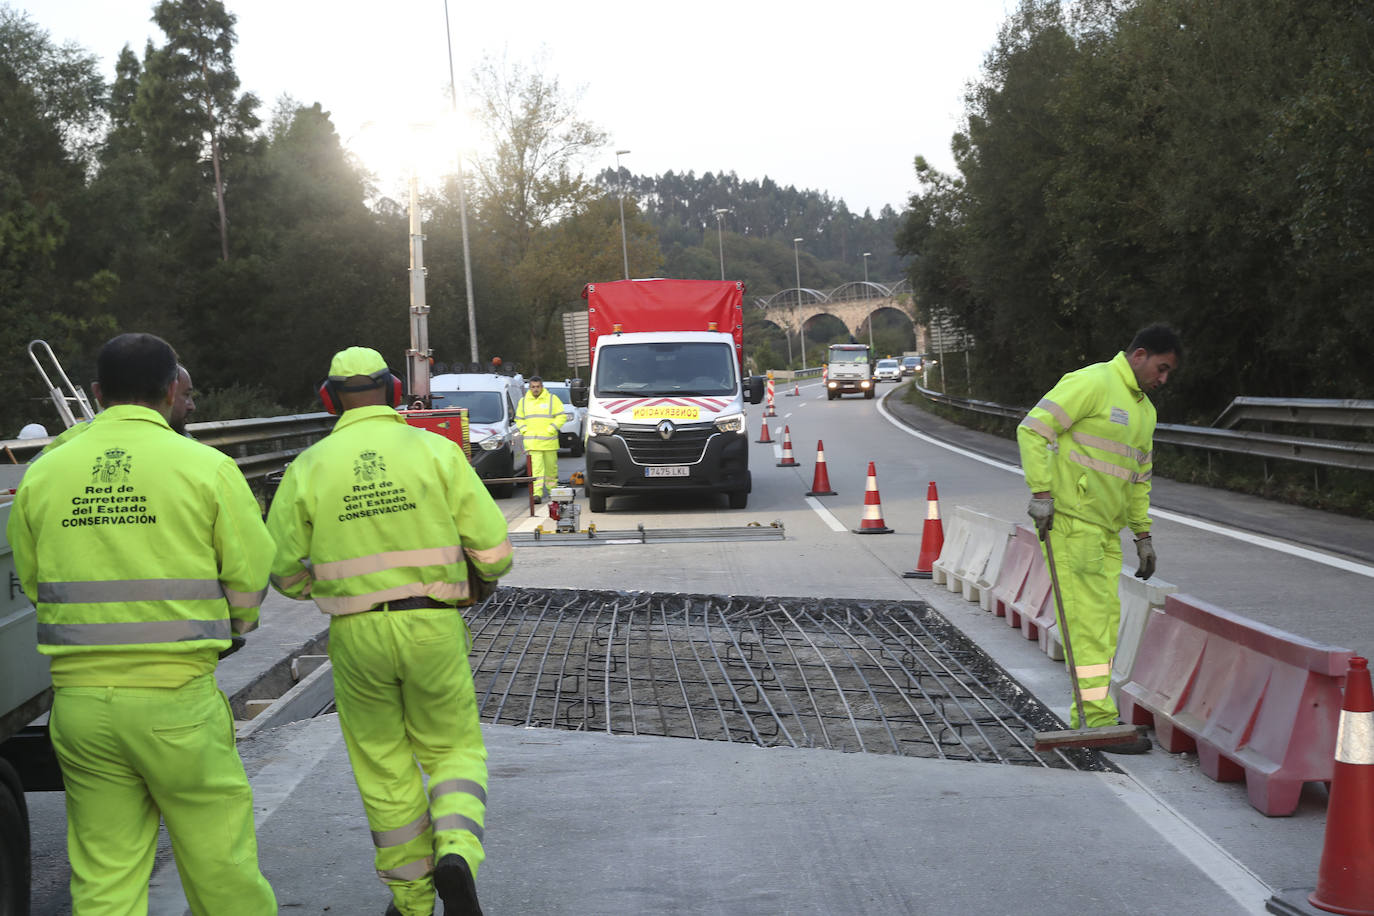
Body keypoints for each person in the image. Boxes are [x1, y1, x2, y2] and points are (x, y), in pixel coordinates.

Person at [6, 332, 277, 913]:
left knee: (105, 875)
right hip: (176, 701)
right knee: (220, 865)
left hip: (79, 707)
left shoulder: (45, 473)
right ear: (174, 387)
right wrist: (232, 625)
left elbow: (33, 581)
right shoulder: (207, 467)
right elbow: (251, 571)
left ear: (99, 393)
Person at [266, 346, 511, 916]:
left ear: (329, 399)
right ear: (394, 391)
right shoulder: (436, 452)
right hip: (432, 624)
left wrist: (328, 590)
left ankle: (412, 899)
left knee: (383, 765)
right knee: (452, 749)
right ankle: (455, 852)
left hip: (356, 635)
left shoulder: (310, 466)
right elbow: (495, 553)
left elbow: (280, 568)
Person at [1016, 324, 1182, 754]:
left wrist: (1142, 533)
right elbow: (1033, 429)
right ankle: (1095, 722)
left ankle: (1096, 717)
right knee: (1089, 625)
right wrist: (1041, 493)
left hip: (1106, 532)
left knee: (1104, 625)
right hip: (1073, 524)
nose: (1163, 379)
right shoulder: (1092, 382)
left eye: (1168, 373)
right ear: (1140, 354)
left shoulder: (1144, 411)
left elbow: (1138, 479)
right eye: (1161, 368)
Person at [515, 374, 566, 504]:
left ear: (542, 387)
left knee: (551, 470)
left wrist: (551, 429)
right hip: (533, 443)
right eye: (533, 387)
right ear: (529, 388)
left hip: (549, 443)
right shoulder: (524, 402)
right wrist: (525, 430)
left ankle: (552, 492)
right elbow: (519, 419)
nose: (535, 389)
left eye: (537, 387)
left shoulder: (552, 399)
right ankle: (536, 494)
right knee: (536, 470)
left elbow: (561, 416)